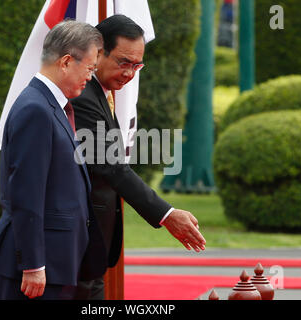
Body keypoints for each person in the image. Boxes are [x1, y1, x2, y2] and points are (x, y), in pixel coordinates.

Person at [71, 15, 207, 300]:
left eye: (137, 65)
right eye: (123, 62)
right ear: (98, 52)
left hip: (93, 243)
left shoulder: (100, 93)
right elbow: (112, 168)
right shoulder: (83, 96)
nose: (130, 74)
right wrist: (167, 215)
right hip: (77, 239)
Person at [0, 20, 107, 300]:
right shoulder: (36, 109)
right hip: (38, 268)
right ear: (65, 62)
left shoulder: (52, 106)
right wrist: (33, 263)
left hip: (57, 263)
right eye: (89, 68)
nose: (90, 77)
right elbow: (26, 193)